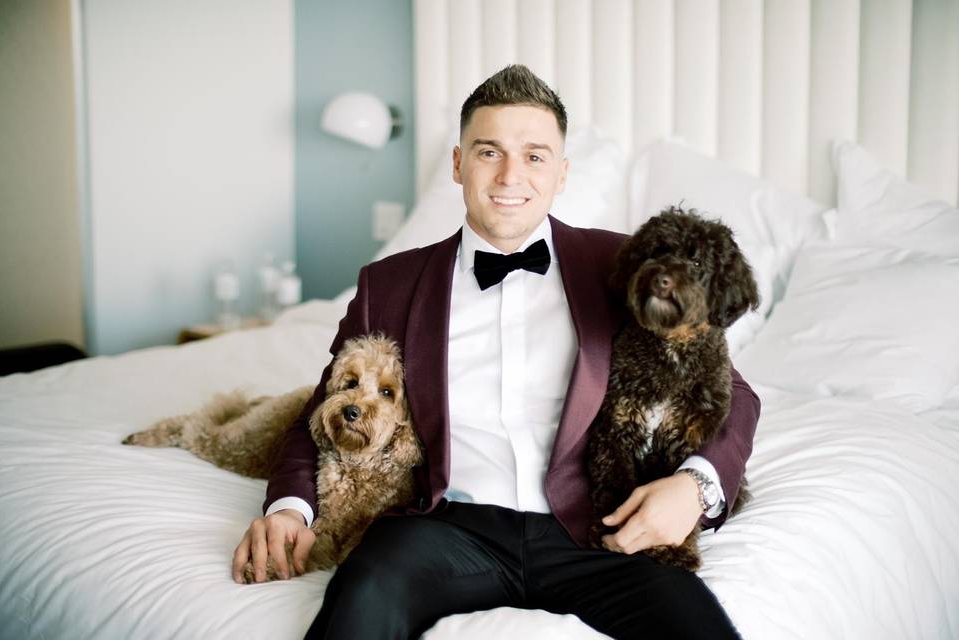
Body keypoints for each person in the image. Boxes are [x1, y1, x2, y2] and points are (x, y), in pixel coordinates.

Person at [232, 64, 759, 640]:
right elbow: (321, 408)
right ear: (458, 164)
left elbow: (731, 391)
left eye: (535, 156)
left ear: (561, 173)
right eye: (489, 152)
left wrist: (696, 486)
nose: (511, 174)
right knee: (359, 608)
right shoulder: (388, 285)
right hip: (446, 530)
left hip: (600, 529)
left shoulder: (627, 268)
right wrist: (288, 509)